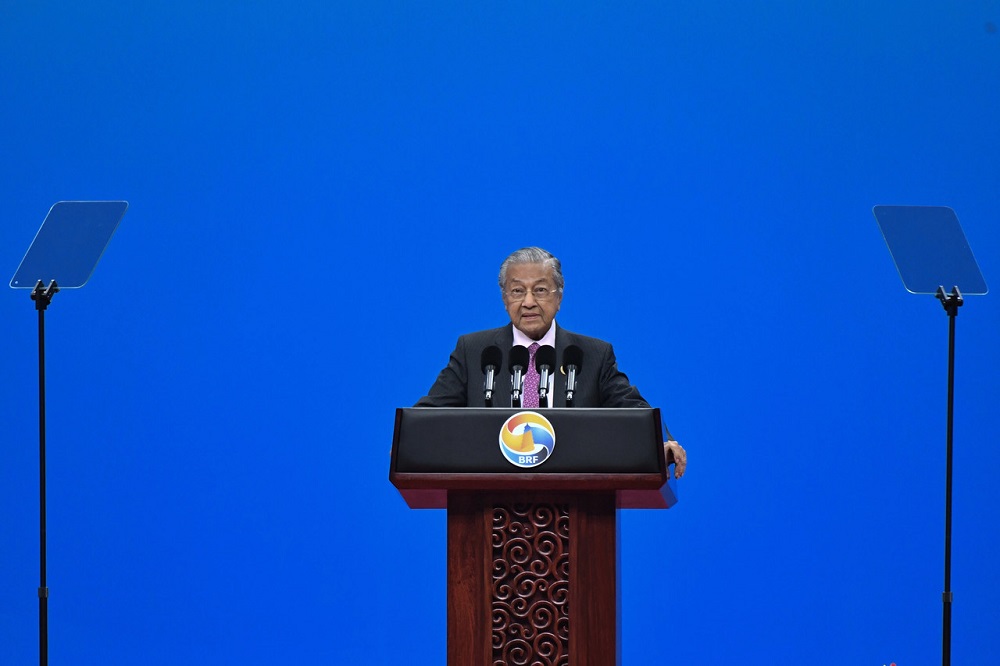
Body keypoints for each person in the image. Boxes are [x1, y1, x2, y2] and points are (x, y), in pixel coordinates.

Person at [415, 246, 687, 478]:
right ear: (504, 298)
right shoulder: (475, 351)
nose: (528, 302)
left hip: (573, 500)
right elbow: (428, 416)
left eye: (540, 290)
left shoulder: (592, 354)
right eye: (517, 291)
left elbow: (634, 412)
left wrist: (661, 443)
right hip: (488, 499)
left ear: (559, 297)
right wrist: (408, 439)